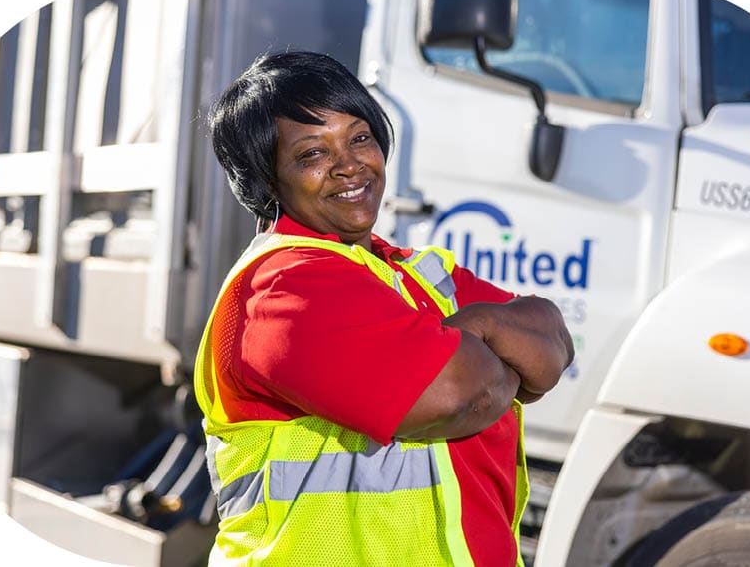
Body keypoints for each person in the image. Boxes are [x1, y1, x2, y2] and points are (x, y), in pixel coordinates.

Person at [194, 50, 574, 567]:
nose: (349, 164)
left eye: (360, 137)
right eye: (312, 154)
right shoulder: (285, 288)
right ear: (267, 180)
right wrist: (485, 346)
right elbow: (461, 395)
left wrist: (476, 331)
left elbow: (552, 345)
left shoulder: (410, 270)